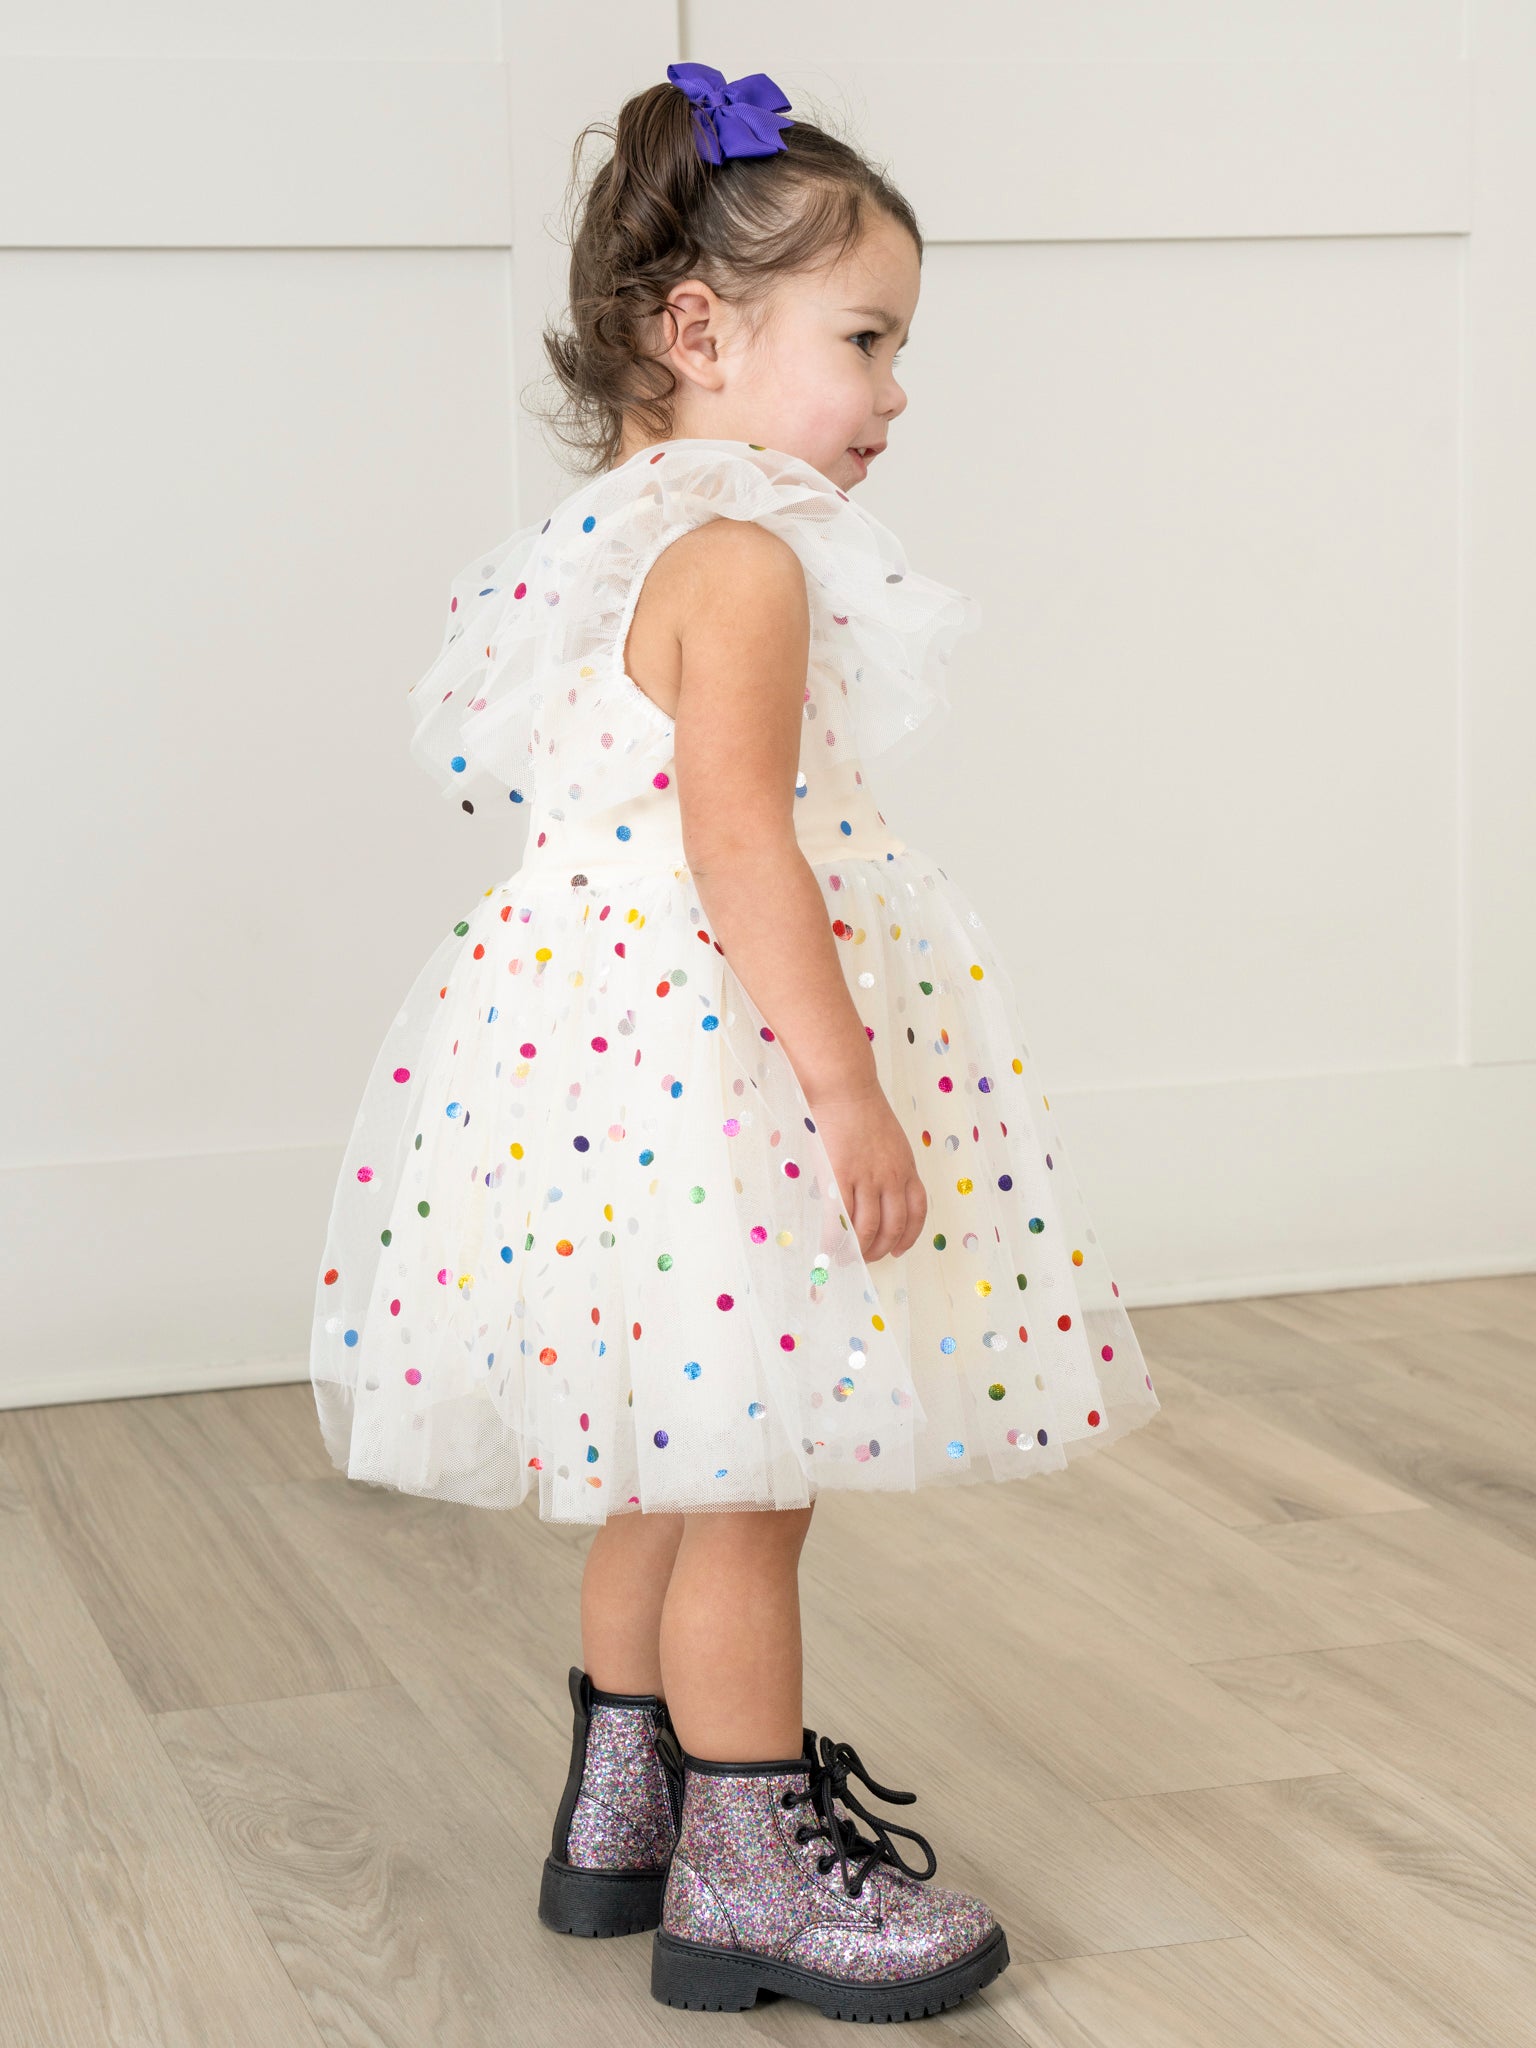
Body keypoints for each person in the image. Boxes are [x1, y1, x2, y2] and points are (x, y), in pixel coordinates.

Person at [309, 59, 1161, 2023]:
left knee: (657, 1461)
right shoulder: (747, 563)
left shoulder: (600, 551)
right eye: (865, 339)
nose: (895, 392)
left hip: (591, 1081)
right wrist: (849, 1087)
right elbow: (739, 840)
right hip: (719, 1067)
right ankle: (752, 1869)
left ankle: (624, 1809)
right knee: (753, 1482)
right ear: (700, 332)